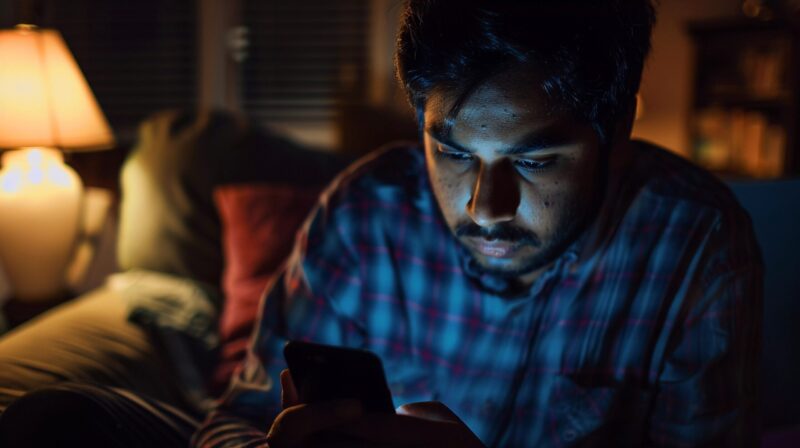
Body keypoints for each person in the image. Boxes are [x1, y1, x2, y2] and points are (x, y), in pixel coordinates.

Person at [193, 0, 762, 447]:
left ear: (616, 138)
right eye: (454, 154)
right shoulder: (364, 215)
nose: (485, 208)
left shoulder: (695, 245)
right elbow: (234, 421)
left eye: (534, 162)